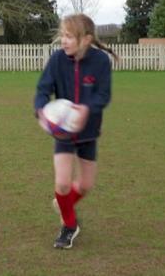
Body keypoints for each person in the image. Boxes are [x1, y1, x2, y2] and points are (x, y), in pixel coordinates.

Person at [34, 13, 117, 249]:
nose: (63, 40)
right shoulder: (57, 59)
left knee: (85, 186)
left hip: (89, 132)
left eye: (69, 36)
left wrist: (86, 109)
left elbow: (103, 94)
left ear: (86, 39)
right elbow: (43, 89)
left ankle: (63, 204)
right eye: (62, 35)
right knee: (62, 184)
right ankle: (69, 226)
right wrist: (40, 109)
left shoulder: (100, 61)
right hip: (64, 133)